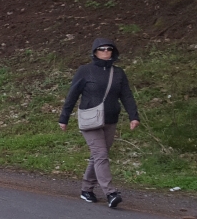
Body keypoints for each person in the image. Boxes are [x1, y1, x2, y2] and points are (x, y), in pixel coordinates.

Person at [59, 38, 140, 209]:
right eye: (102, 49)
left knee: (98, 156)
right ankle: (110, 193)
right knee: (101, 155)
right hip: (90, 120)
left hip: (110, 119)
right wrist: (64, 117)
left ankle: (86, 189)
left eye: (109, 49)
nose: (105, 52)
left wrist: (134, 116)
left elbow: (126, 95)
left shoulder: (118, 73)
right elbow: (72, 95)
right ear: (95, 51)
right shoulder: (85, 71)